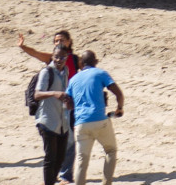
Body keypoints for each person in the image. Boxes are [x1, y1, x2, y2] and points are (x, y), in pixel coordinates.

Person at [23, 29, 77, 185]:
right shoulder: (47, 72)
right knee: (50, 157)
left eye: (62, 57)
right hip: (47, 119)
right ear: (52, 57)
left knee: (61, 155)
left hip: (63, 117)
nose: (59, 59)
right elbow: (37, 94)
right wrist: (55, 93)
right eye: (56, 57)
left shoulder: (68, 67)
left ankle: (58, 177)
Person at [66, 51, 123, 185]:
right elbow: (118, 93)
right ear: (95, 62)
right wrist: (119, 108)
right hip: (99, 120)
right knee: (111, 150)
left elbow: (68, 104)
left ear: (81, 64)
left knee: (81, 160)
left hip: (81, 123)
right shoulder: (100, 73)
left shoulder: (73, 79)